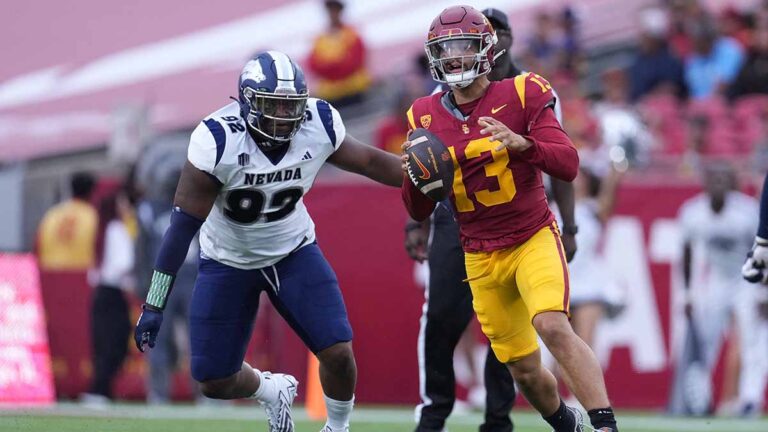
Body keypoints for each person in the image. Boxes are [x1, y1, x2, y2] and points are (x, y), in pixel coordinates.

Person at [133, 51, 402, 432]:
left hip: (293, 252)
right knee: (213, 379)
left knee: (338, 352)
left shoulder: (318, 122)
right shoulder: (217, 140)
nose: (281, 115)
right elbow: (180, 230)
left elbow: (372, 163)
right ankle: (270, 389)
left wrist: (423, 178)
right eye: (271, 104)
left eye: (290, 105)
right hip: (227, 260)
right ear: (246, 102)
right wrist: (154, 302)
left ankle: (338, 429)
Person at [401, 6, 619, 432]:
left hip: (531, 236)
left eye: (464, 46)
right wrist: (418, 177)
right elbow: (417, 208)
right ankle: (566, 423)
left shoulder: (524, 92)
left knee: (552, 324)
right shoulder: (423, 115)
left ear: (486, 48)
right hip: (478, 253)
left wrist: (523, 145)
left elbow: (568, 164)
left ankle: (605, 424)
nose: (455, 58)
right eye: (446, 50)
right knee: (523, 371)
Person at [671, 162, 766, 416]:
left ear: (733, 184)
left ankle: (749, 400)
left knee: (752, 339)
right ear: (706, 183)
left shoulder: (746, 211)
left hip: (747, 279)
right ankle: (699, 399)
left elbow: (762, 251)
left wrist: (763, 291)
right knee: (705, 341)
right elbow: (687, 251)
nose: (719, 185)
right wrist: (689, 293)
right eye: (715, 179)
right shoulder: (692, 212)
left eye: (725, 179)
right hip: (717, 280)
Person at [81, 190, 136, 406]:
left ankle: (102, 388)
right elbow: (124, 262)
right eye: (123, 203)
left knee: (105, 342)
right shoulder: (117, 229)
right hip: (112, 292)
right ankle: (99, 389)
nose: (127, 207)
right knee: (115, 342)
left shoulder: (103, 229)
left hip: (102, 292)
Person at [307, 0, 371, 108]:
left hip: (354, 91)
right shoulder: (320, 39)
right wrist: (336, 65)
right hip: (330, 95)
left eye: (335, 10)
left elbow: (355, 61)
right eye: (330, 10)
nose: (333, 13)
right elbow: (314, 64)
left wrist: (331, 68)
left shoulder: (352, 34)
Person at [37, 172, 98, 272]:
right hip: (81, 276)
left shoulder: (52, 214)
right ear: (92, 191)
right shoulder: (93, 216)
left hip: (51, 275)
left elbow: (37, 245)